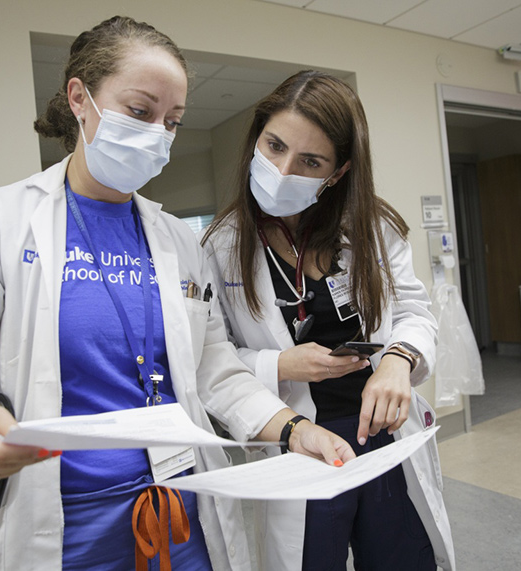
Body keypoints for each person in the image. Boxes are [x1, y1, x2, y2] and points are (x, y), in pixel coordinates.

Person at [0, 19, 354, 571]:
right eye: (141, 111)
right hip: (61, 522)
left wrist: (293, 429)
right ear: (79, 99)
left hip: (183, 511)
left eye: (173, 122)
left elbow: (215, 368)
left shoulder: (177, 240)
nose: (158, 133)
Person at [201, 70, 455, 570]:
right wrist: (280, 364)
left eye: (310, 162)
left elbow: (413, 311)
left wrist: (398, 361)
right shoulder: (221, 245)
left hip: (379, 431)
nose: (282, 169)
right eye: (273, 146)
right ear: (256, 140)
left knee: (401, 560)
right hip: (301, 441)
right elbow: (214, 359)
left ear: (337, 173)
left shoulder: (373, 227)